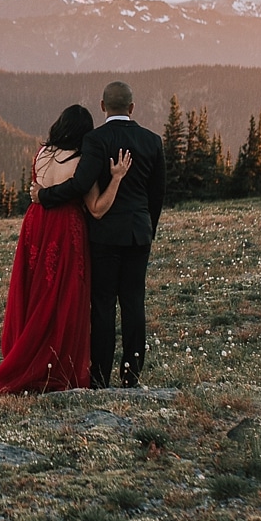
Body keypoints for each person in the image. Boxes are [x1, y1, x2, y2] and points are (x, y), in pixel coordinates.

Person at [0, 105, 131, 394]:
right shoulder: (82, 160)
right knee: (63, 296)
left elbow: (37, 190)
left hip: (35, 223)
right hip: (64, 227)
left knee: (35, 292)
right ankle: (55, 362)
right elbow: (96, 209)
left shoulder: (41, 153)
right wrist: (117, 178)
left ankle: (28, 352)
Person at [33, 79, 166, 388]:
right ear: (132, 108)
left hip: (104, 234)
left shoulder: (96, 140)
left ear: (103, 107)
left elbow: (80, 185)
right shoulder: (152, 141)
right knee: (134, 302)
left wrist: (44, 196)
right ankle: (131, 375)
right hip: (138, 233)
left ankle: (100, 376)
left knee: (103, 304)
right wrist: (148, 229)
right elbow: (157, 195)